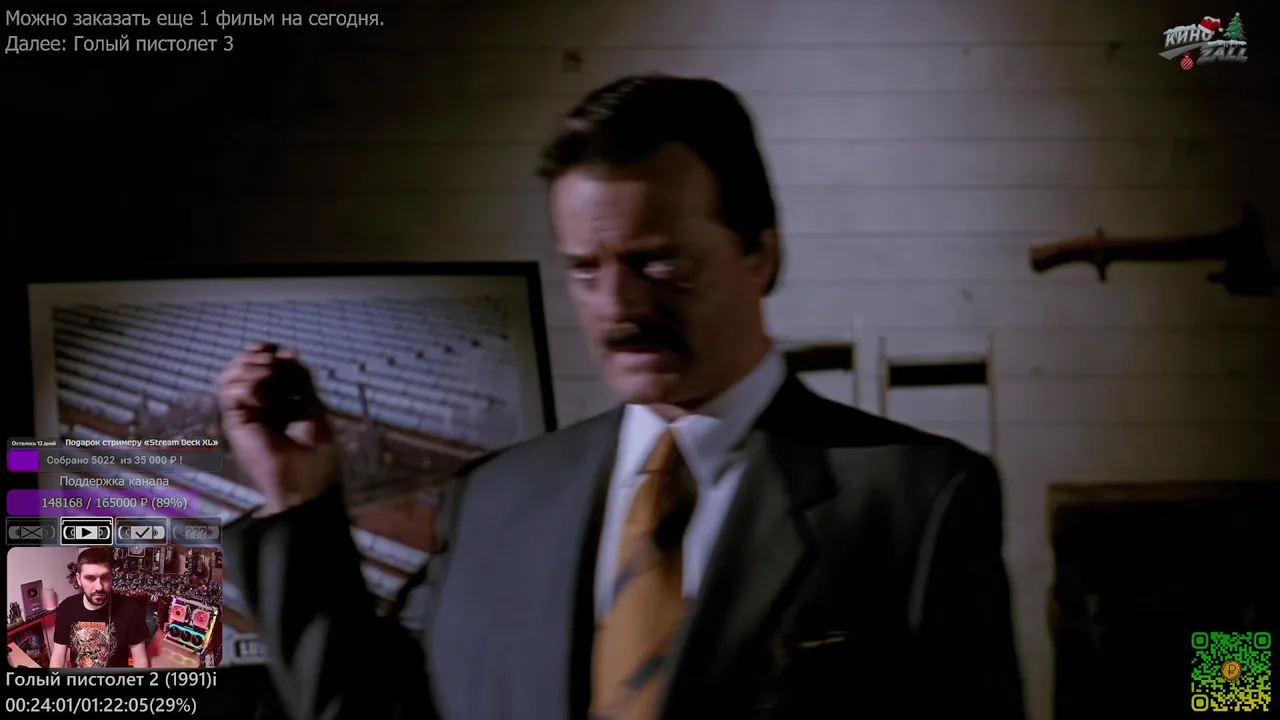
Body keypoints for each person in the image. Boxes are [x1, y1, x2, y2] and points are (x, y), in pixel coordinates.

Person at [219, 74, 1025, 719]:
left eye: (659, 262)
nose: (619, 306)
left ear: (762, 255)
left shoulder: (914, 501)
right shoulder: (498, 499)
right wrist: (298, 501)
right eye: (585, 269)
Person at [49, 547, 151, 668]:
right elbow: (58, 656)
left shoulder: (130, 609)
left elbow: (140, 661)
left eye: (105, 577)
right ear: (78, 579)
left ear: (111, 577)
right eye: (90, 578)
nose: (99, 587)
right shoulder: (66, 608)